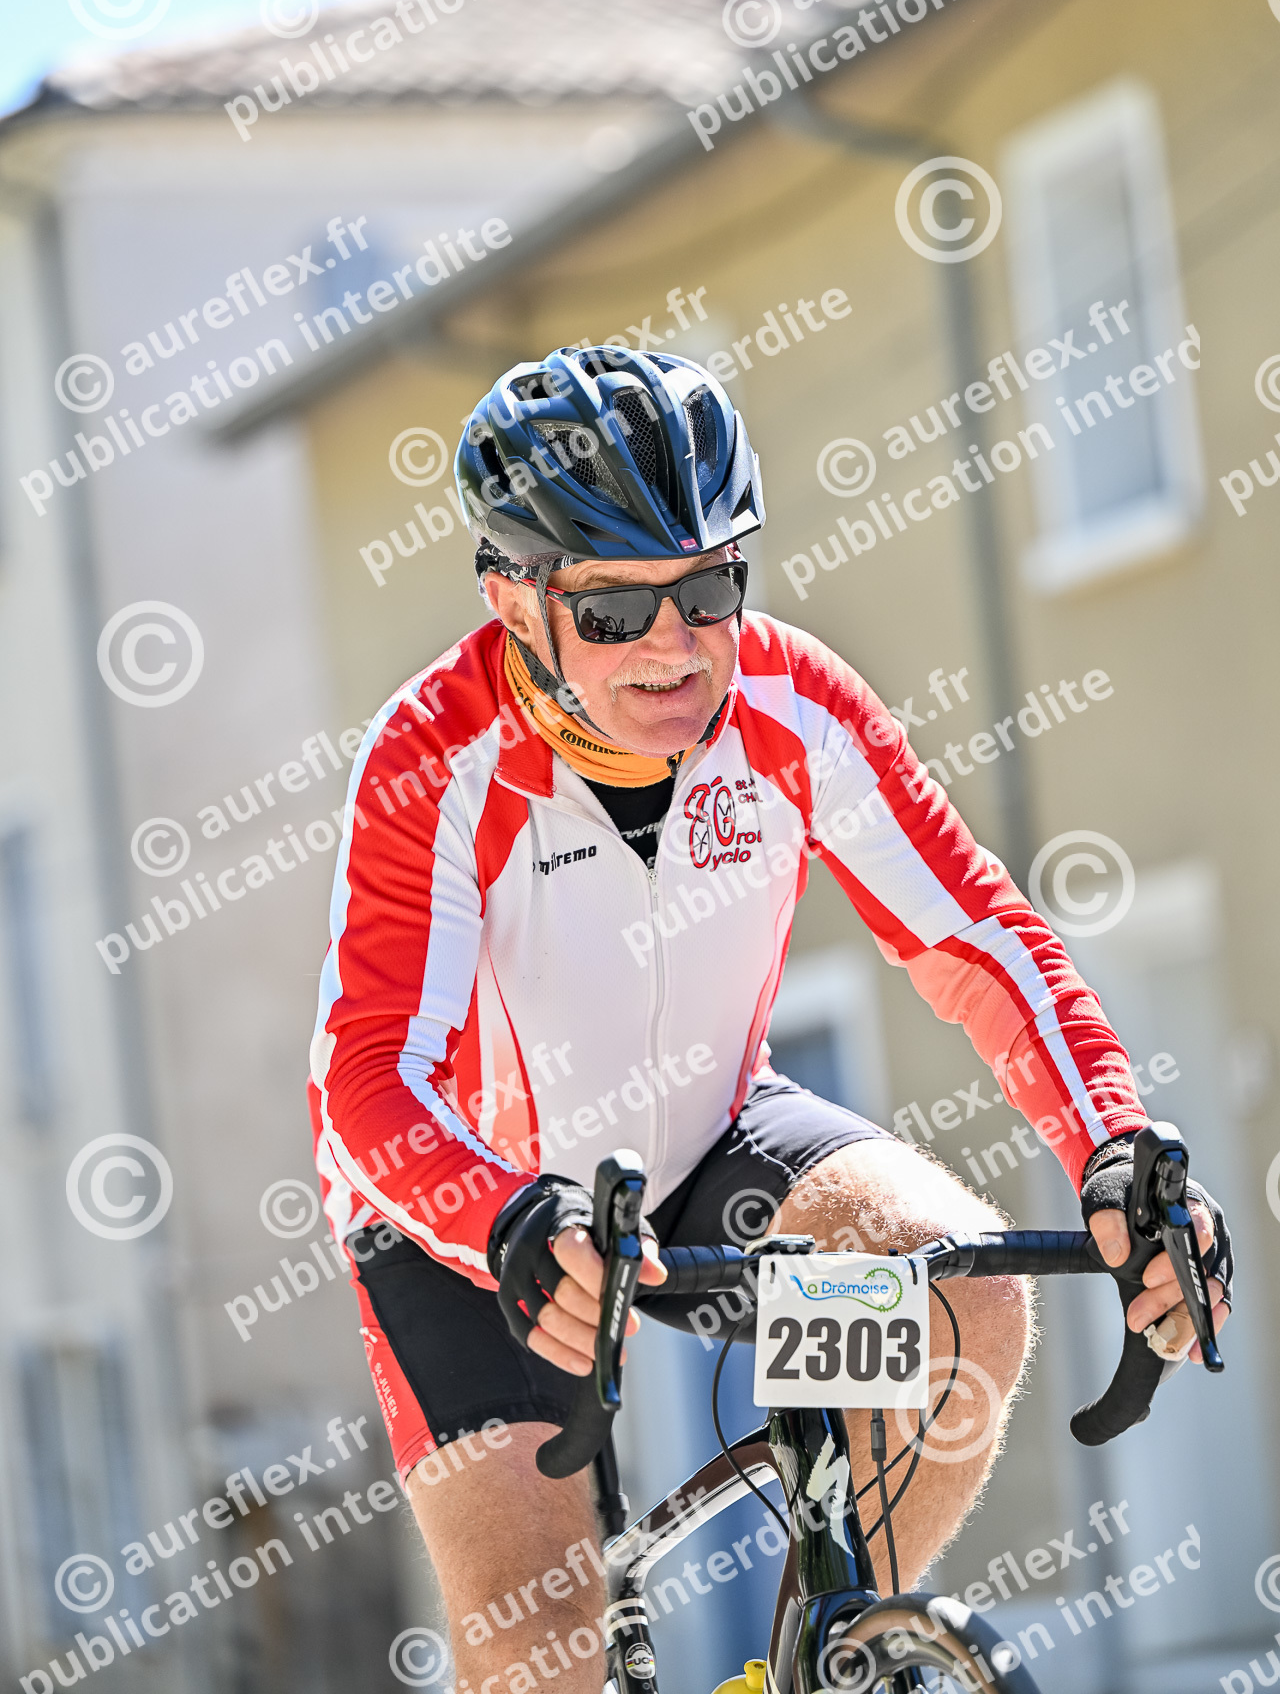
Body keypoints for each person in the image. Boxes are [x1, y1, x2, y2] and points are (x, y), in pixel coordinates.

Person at [308, 344, 1230, 1693]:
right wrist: (508, 1220)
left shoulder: (795, 706)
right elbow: (369, 1082)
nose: (675, 646)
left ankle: (820, 1657)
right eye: (616, 610)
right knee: (546, 1641)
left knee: (956, 1299)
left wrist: (1116, 1149)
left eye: (707, 590)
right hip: (473, 1230)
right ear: (513, 600)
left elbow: (977, 938)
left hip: (705, 1170)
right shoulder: (433, 759)